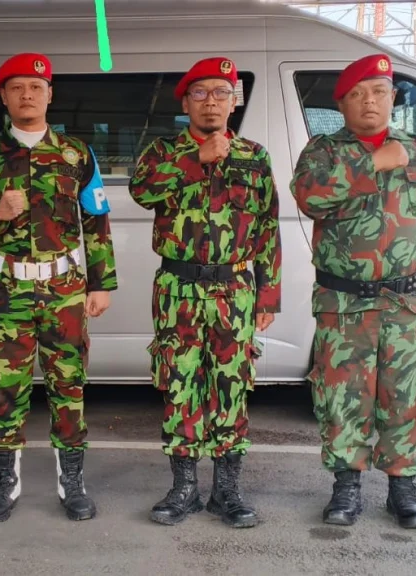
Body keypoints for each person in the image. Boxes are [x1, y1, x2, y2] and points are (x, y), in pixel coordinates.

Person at [290, 54, 416, 529]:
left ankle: (403, 487)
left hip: (407, 300)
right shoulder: (324, 152)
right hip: (345, 302)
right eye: (357, 94)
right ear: (341, 104)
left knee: (409, 394)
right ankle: (346, 486)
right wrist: (370, 164)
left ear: (393, 98)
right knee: (342, 395)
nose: (369, 102)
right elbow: (309, 197)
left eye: (378, 92)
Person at [0, 52, 117, 523]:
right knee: (5, 388)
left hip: (65, 288)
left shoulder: (76, 153)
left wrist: (101, 284)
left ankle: (73, 484)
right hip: (8, 289)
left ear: (50, 94)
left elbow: (96, 221)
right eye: (17, 87)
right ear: (3, 96)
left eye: (36, 87)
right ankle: (5, 484)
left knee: (70, 386)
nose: (27, 95)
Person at [129, 57, 280, 528]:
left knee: (231, 386)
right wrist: (197, 161)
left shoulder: (254, 156)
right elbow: (141, 191)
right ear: (186, 102)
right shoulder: (162, 151)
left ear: (234, 102)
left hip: (235, 287)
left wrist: (268, 293)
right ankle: (184, 488)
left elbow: (268, 227)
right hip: (178, 286)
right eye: (201, 93)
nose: (211, 101)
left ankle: (228, 491)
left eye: (221, 92)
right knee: (180, 384)